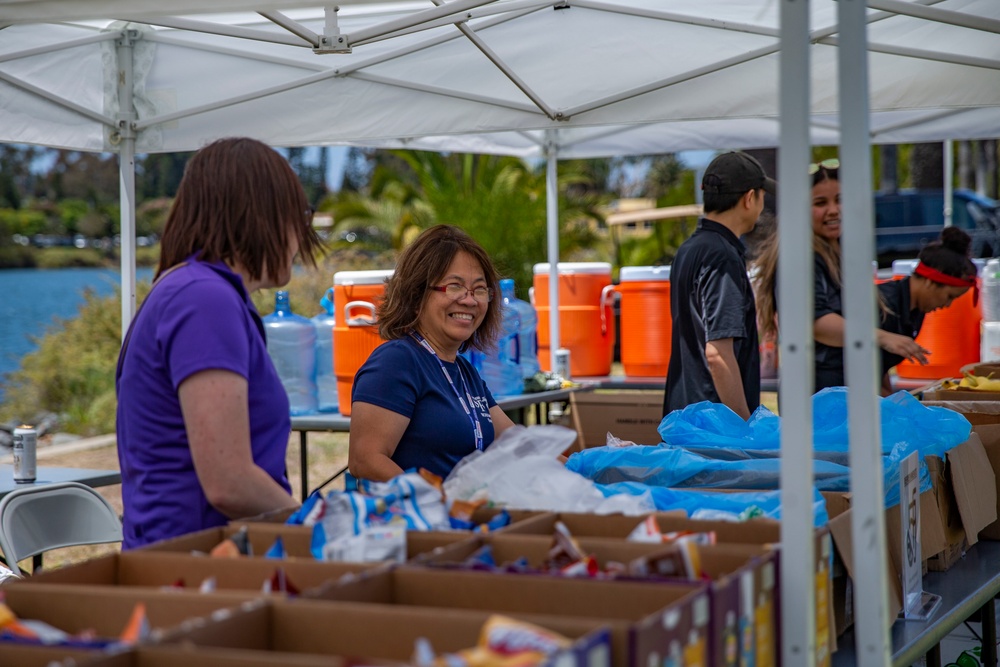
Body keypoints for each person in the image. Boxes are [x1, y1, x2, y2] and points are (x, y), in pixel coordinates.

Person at [115, 137, 322, 549]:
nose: (302, 234)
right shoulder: (204, 298)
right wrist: (315, 532)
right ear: (260, 213)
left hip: (199, 558)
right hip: (189, 567)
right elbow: (229, 482)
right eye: (298, 215)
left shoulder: (199, 291)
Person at [349, 224, 516, 481]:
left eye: (479, 289)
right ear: (416, 293)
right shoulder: (397, 361)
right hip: (416, 518)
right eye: (454, 286)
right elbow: (366, 460)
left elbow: (518, 446)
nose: (469, 300)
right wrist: (439, 503)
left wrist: (582, 469)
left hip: (460, 518)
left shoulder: (463, 371)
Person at [754, 158, 929, 393]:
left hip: (848, 390)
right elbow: (815, 322)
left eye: (840, 200)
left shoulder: (845, 252)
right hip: (817, 393)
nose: (833, 210)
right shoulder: (798, 256)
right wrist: (884, 337)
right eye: (820, 202)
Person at [663, 151, 775, 420]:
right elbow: (718, 353)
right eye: (762, 197)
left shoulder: (689, 248)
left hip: (686, 417)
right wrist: (744, 425)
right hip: (715, 428)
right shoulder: (721, 255)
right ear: (749, 198)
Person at [877, 227, 976, 393]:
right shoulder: (884, 303)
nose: (947, 305)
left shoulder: (915, 308)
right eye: (949, 296)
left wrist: (893, 401)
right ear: (930, 282)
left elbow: (878, 367)